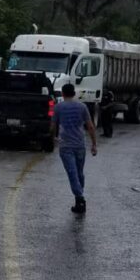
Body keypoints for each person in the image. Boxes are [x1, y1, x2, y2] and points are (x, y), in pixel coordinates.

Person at [50, 83, 97, 214]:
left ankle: (80, 198)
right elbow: (90, 126)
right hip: (80, 145)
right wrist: (94, 144)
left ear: (63, 94)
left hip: (66, 146)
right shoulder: (82, 107)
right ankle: (79, 201)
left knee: (72, 173)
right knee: (79, 172)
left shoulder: (59, 107)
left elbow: (53, 125)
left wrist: (53, 138)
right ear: (74, 93)